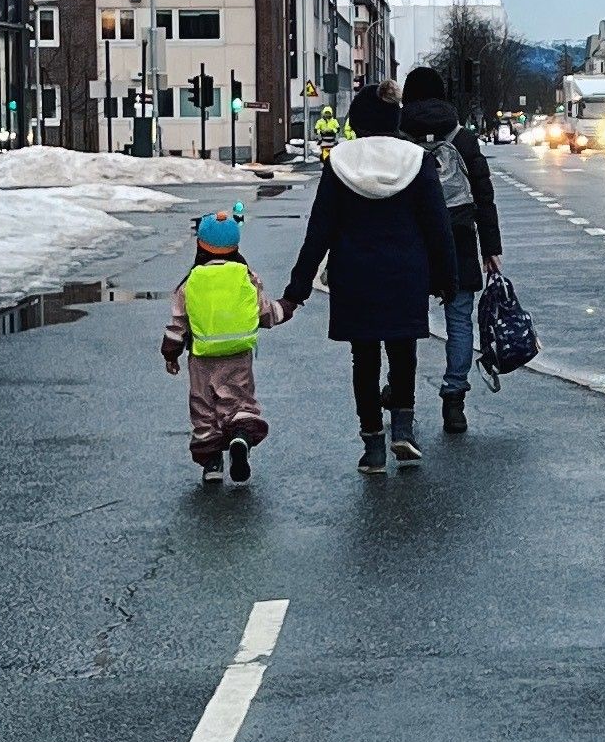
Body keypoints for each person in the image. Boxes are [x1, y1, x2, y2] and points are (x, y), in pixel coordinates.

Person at [278, 86, 458, 472]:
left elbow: (319, 231)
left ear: (357, 122)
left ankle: (373, 446)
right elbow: (438, 226)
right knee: (403, 352)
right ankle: (403, 431)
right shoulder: (416, 160)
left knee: (364, 359)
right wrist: (447, 279)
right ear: (395, 119)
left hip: (354, 275)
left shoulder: (340, 163)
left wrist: (297, 290)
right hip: (405, 274)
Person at [399, 66, 505, 434]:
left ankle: (401, 396)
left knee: (405, 323)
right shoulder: (463, 138)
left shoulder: (398, 138)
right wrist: (490, 247)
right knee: (459, 320)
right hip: (458, 237)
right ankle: (454, 401)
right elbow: (484, 196)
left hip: (410, 241)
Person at [160, 208, 274, 488]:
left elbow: (178, 323)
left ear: (201, 244)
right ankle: (239, 437)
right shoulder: (246, 276)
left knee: (203, 406)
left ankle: (211, 462)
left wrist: (171, 353)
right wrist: (287, 307)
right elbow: (264, 312)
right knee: (238, 399)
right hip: (239, 354)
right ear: (235, 245)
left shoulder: (191, 282)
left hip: (201, 357)